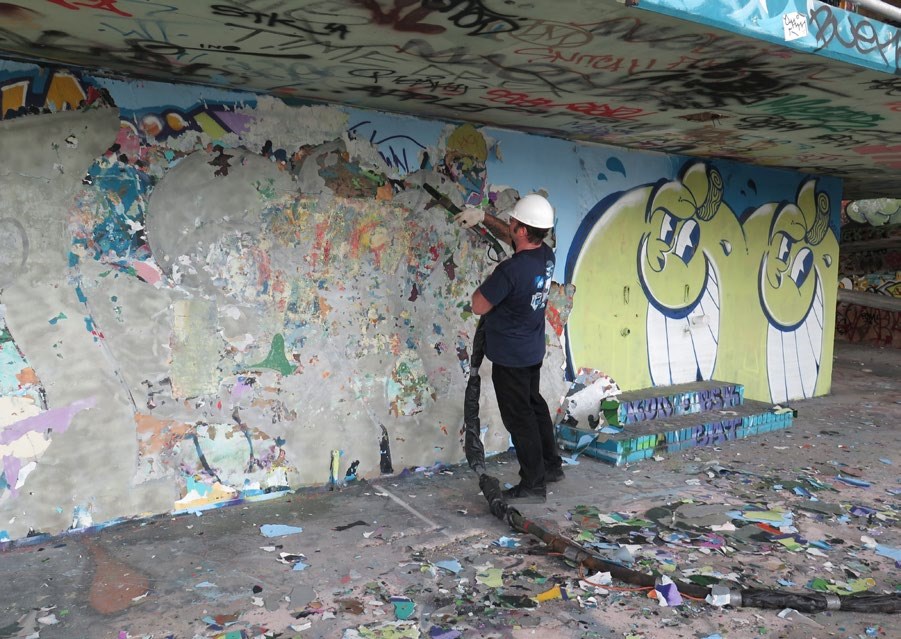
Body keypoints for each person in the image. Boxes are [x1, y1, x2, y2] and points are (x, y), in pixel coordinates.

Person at [454, 194, 564, 503]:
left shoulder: (510, 272)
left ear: (522, 229)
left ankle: (533, 482)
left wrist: (488, 281)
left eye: (513, 221)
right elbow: (512, 237)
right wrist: (484, 218)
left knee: (519, 418)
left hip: (511, 358)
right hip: (531, 350)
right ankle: (551, 465)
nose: (510, 224)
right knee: (535, 404)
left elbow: (478, 305)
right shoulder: (546, 255)